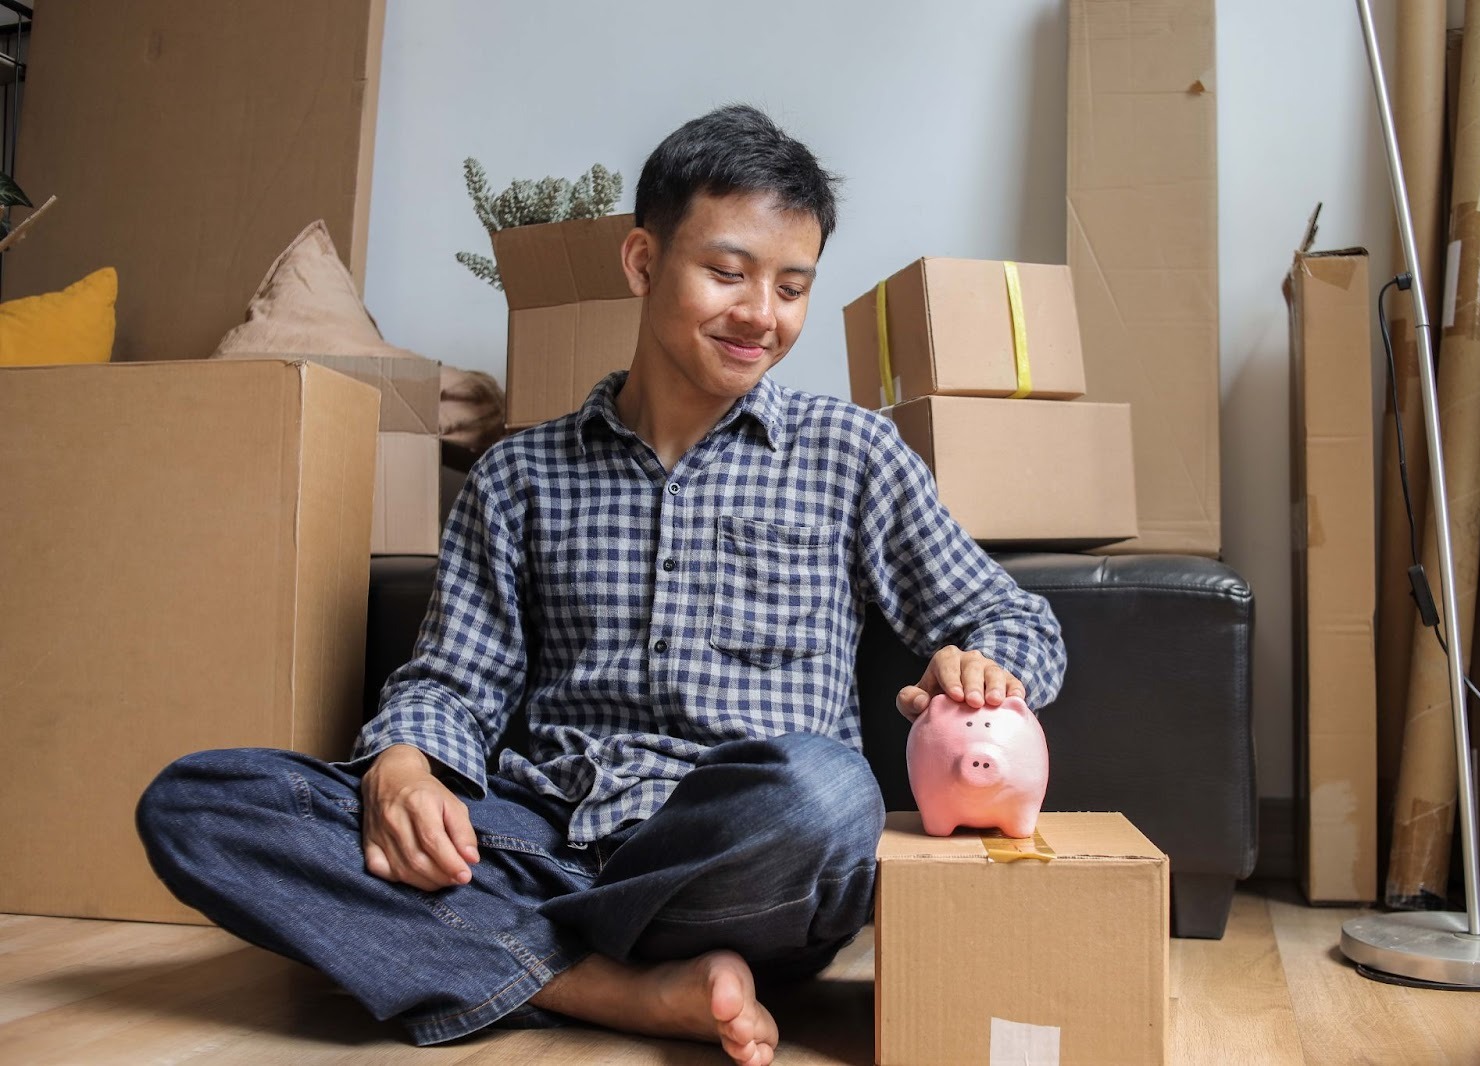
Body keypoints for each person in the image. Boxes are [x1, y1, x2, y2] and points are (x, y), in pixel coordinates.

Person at [137, 103, 1065, 1066]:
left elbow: (1012, 617)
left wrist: (982, 665)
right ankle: (612, 988)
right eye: (727, 272)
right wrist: (405, 761)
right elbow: (455, 677)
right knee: (199, 804)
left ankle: (494, 947)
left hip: (744, 863)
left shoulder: (855, 454)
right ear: (640, 262)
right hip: (541, 831)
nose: (762, 315)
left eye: (792, 287)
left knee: (827, 796)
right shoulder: (518, 475)